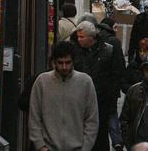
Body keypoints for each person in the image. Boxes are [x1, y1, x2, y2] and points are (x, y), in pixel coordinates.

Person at [29, 41, 99, 151]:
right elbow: (34, 117)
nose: (64, 67)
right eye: (60, 63)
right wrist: (40, 146)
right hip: (48, 147)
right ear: (54, 62)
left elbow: (92, 119)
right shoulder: (42, 82)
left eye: (68, 62)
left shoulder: (85, 82)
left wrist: (85, 147)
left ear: (73, 61)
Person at [72, 21, 125, 151]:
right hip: (79, 101)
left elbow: (116, 73)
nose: (79, 40)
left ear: (91, 37)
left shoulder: (107, 50)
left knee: (100, 135)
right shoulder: (75, 51)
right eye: (78, 37)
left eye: (82, 37)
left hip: (101, 100)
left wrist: (111, 97)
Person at [98, 17, 127, 151]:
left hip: (101, 85)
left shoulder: (97, 40)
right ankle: (116, 140)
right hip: (111, 84)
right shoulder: (113, 41)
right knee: (112, 112)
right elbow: (119, 65)